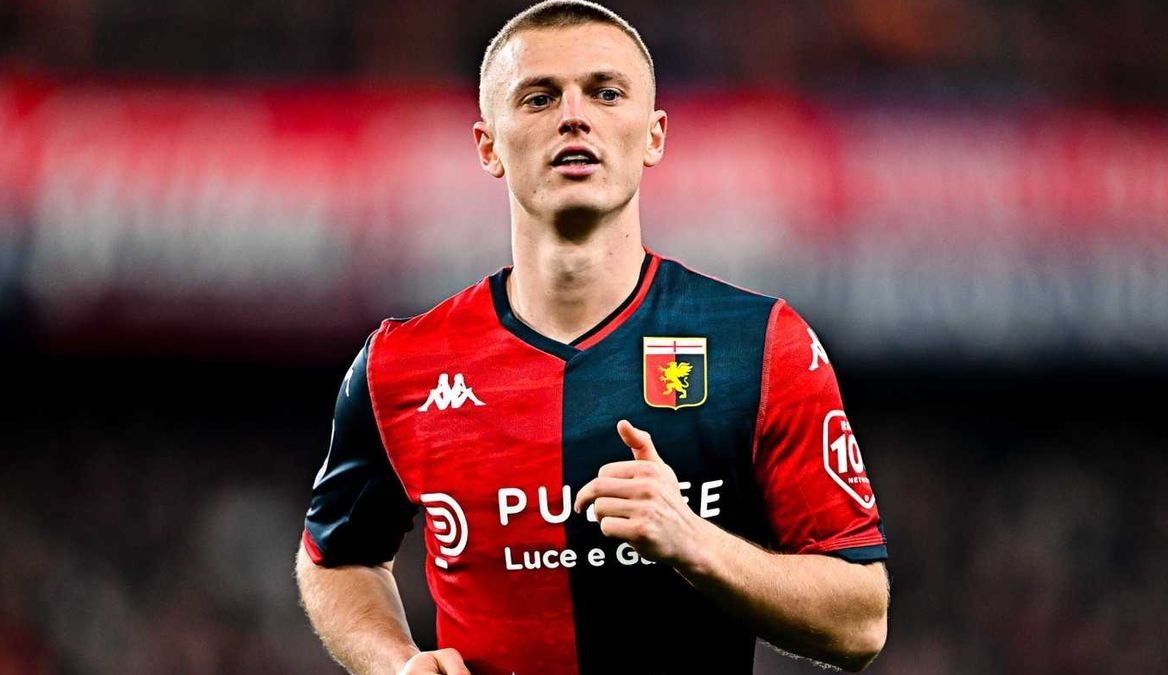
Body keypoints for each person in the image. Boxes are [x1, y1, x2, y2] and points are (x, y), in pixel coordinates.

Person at [295, 2, 889, 673]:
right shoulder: (400, 365)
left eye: (605, 93)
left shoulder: (759, 345)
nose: (573, 116)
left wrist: (694, 540)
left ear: (654, 135)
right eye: (540, 97)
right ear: (489, 146)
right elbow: (335, 557)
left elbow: (861, 621)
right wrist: (394, 662)